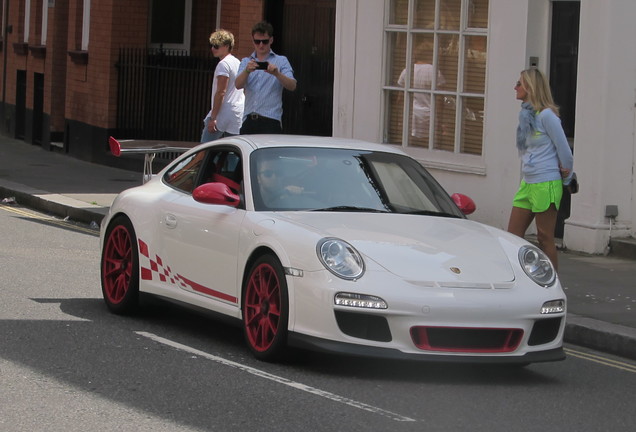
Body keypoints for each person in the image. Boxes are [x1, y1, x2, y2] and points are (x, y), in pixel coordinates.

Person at [507, 68, 574, 270]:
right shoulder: (527, 116)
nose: (515, 87)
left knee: (545, 238)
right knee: (511, 238)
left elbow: (565, 152)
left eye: (519, 84)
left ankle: (553, 285)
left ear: (530, 87)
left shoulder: (547, 116)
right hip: (528, 183)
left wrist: (566, 177)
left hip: (546, 183)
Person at [235, 21, 297, 134]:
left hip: (271, 120)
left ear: (271, 40)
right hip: (249, 119)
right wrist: (247, 71)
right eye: (257, 41)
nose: (261, 45)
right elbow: (238, 85)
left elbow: (292, 85)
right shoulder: (246, 61)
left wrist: (277, 74)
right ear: (252, 41)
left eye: (265, 41)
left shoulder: (281, 61)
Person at [201, 29, 244, 143]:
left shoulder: (223, 64)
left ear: (226, 46)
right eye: (212, 45)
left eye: (216, 46)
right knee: (233, 153)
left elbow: (221, 92)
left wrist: (213, 118)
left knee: (204, 150)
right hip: (236, 112)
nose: (212, 49)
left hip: (222, 113)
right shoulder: (237, 63)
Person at [397, 42, 445, 139]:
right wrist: (440, 120)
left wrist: (399, 118)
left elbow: (400, 98)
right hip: (429, 115)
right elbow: (440, 99)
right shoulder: (434, 71)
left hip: (412, 115)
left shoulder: (407, 70)